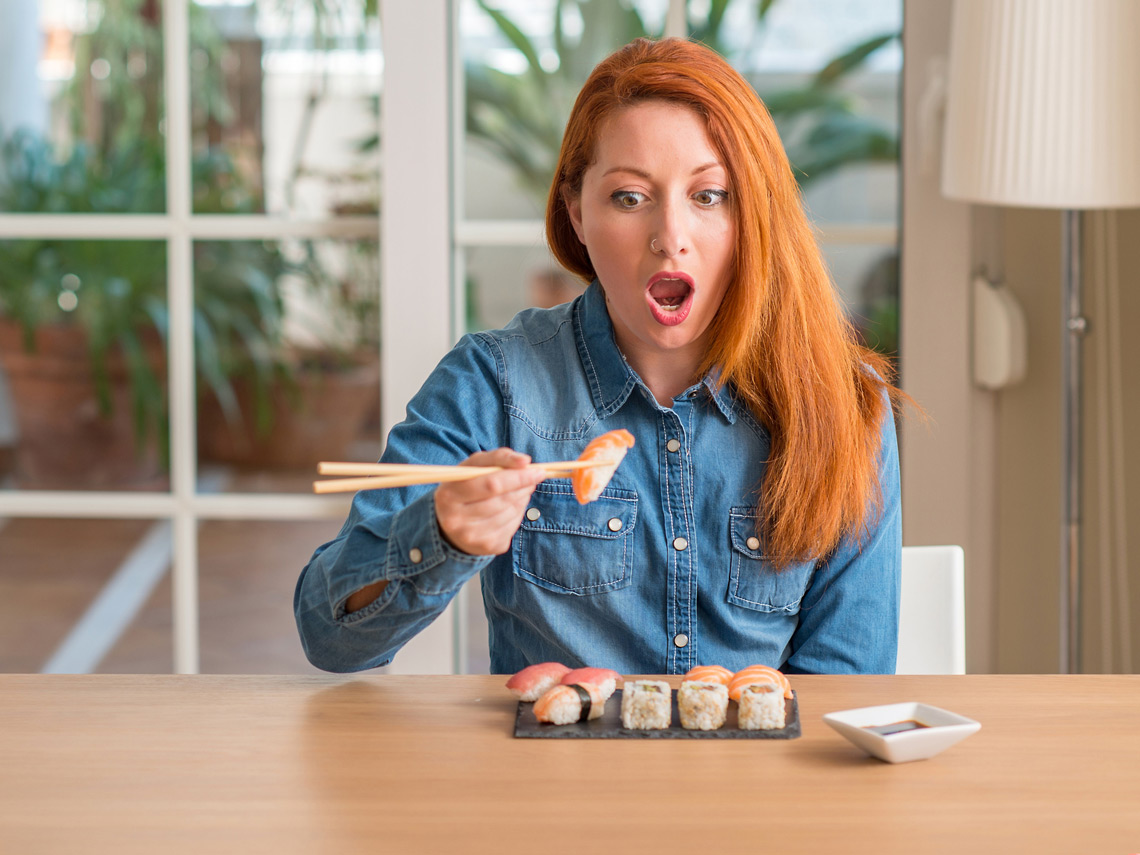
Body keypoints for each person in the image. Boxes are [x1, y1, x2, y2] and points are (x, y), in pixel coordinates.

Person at [294, 37, 903, 676]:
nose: (671, 239)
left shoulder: (845, 400)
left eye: (708, 196)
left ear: (754, 215)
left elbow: (847, 682)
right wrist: (439, 534)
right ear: (577, 215)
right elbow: (329, 638)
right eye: (629, 198)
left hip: (751, 774)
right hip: (559, 773)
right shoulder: (492, 384)